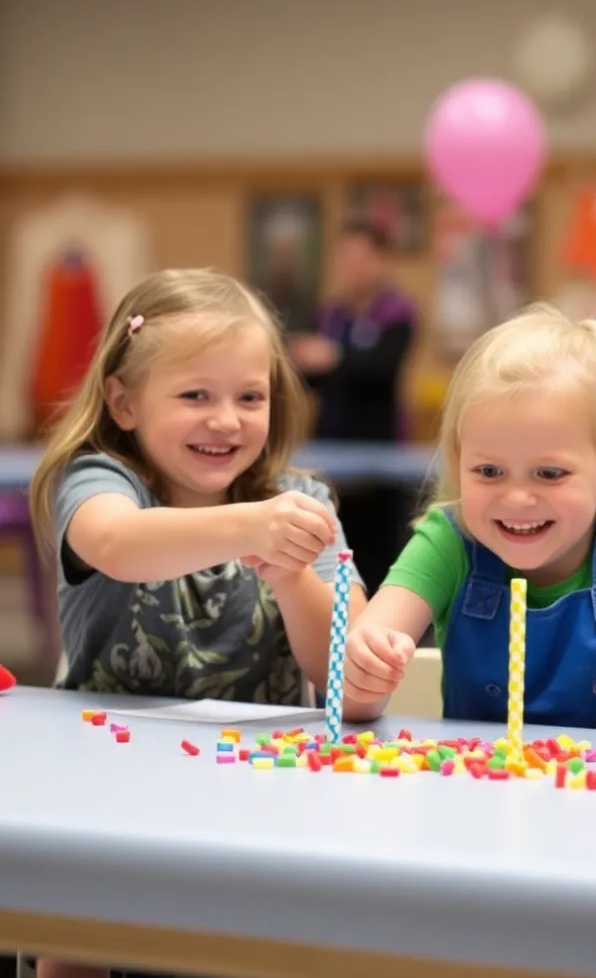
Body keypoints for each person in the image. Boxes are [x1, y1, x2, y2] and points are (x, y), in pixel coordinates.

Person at [28, 268, 369, 978]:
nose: (227, 420)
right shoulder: (101, 481)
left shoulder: (301, 503)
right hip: (103, 792)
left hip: (262, 799)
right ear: (124, 403)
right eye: (195, 396)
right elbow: (116, 544)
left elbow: (347, 672)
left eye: (250, 397)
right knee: (77, 931)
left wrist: (291, 573)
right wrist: (251, 526)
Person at [337, 302, 596, 737]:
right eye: (489, 471)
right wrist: (365, 668)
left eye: (550, 474)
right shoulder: (449, 540)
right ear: (457, 461)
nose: (517, 499)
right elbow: (350, 698)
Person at [289, 222, 417, 596]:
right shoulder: (330, 315)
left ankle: (380, 611)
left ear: (380, 260)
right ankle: (338, 611)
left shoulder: (397, 313)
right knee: (333, 545)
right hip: (330, 449)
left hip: (381, 452)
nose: (353, 267)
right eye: (346, 258)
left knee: (379, 550)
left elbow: (382, 370)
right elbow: (309, 378)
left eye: (362, 257)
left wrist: (334, 358)